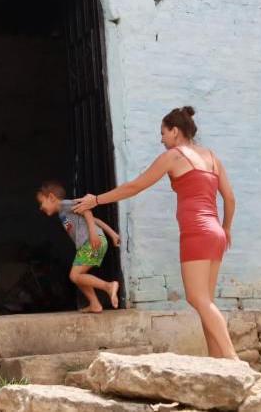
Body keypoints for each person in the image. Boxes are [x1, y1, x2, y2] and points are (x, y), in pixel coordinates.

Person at [72, 106, 238, 358]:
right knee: (207, 303)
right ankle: (218, 362)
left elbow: (135, 186)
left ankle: (233, 359)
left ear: (175, 131)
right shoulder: (212, 157)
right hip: (215, 233)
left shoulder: (174, 155)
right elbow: (230, 198)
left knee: (197, 299)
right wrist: (225, 229)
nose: (161, 139)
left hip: (196, 233)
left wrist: (96, 200)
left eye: (162, 133)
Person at [37, 181, 120, 313]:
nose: (41, 207)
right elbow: (95, 220)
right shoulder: (62, 213)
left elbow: (87, 211)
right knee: (80, 277)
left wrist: (93, 233)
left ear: (51, 197)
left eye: (42, 202)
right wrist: (112, 234)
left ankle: (108, 286)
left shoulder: (65, 205)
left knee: (74, 276)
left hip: (91, 242)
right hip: (90, 243)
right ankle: (95, 304)